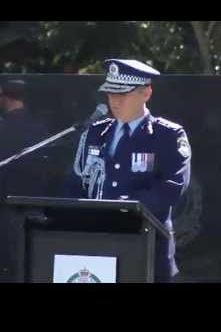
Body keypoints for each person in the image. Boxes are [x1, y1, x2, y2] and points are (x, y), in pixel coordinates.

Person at [70, 59, 192, 282]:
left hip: (146, 246)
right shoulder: (97, 132)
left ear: (146, 93)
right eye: (110, 94)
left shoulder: (167, 136)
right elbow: (77, 183)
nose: (114, 102)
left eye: (122, 95)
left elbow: (172, 188)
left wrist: (124, 206)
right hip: (96, 244)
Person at [0, 79, 50, 282]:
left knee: (9, 259)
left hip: (8, 201)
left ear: (6, 97)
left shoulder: (0, 127)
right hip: (35, 200)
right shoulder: (39, 126)